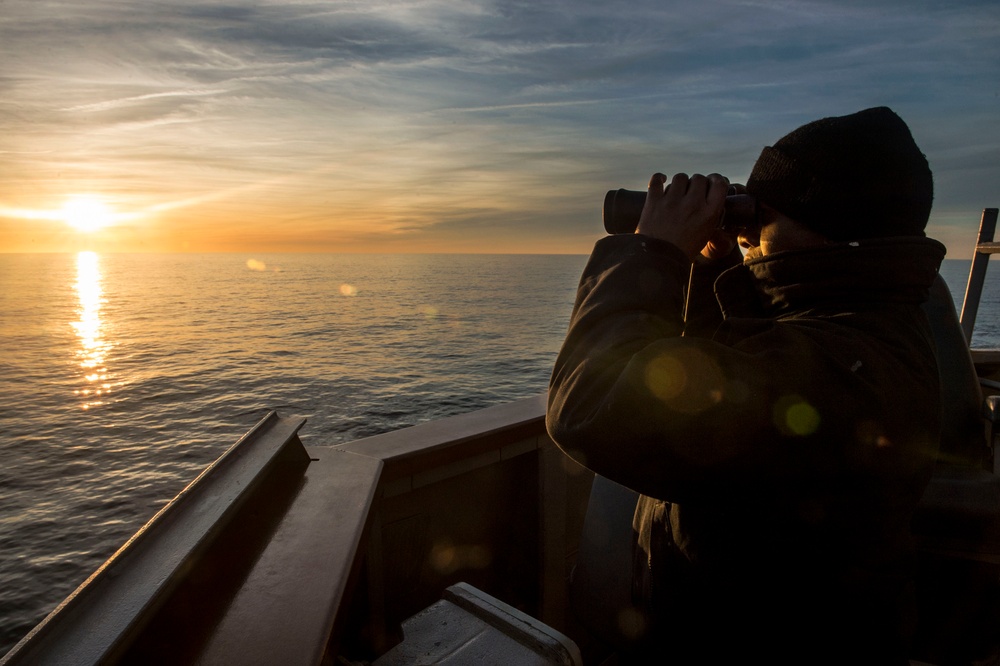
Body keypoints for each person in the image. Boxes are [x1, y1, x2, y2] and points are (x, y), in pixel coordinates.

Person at [546, 107, 945, 664]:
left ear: (827, 225)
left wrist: (650, 253)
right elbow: (721, 391)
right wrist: (713, 269)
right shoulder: (864, 322)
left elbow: (591, 401)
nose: (747, 227)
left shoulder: (840, 370)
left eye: (760, 213)